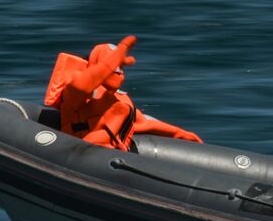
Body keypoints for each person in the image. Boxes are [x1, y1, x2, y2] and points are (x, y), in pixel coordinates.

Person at [44, 35, 202, 150]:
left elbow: (145, 123)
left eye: (121, 67)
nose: (119, 72)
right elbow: (88, 81)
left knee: (123, 108)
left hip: (113, 160)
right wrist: (111, 62)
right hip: (76, 154)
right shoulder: (77, 90)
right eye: (115, 67)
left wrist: (180, 133)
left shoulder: (120, 101)